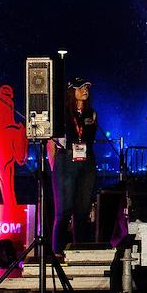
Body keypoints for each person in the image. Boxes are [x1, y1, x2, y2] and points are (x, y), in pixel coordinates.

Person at [51, 77, 98, 257]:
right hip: (66, 161)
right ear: (72, 90)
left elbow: (90, 137)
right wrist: (54, 164)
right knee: (64, 210)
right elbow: (52, 143)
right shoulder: (61, 113)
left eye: (87, 87)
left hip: (86, 162)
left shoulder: (91, 113)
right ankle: (57, 252)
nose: (85, 90)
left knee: (82, 211)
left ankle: (79, 253)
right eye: (81, 87)